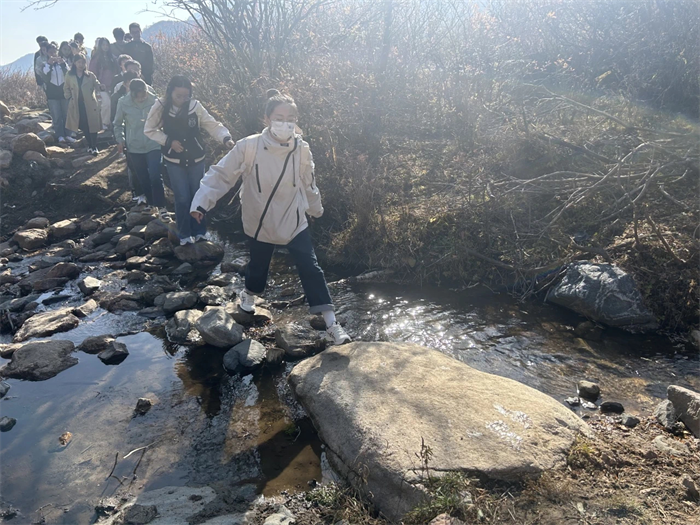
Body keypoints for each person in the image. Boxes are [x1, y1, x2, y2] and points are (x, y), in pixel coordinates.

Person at [188, 89, 352, 345]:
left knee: (310, 267)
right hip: (259, 218)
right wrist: (201, 203)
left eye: (290, 119)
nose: (285, 123)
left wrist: (315, 208)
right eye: (279, 118)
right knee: (258, 266)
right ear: (266, 119)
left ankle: (331, 324)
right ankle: (249, 294)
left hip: (293, 217)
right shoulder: (248, 146)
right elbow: (221, 174)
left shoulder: (301, 149)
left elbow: (308, 182)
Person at [144, 75, 234, 245]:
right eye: (178, 96)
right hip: (174, 160)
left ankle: (200, 232)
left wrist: (225, 138)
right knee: (182, 198)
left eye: (186, 96)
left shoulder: (195, 106)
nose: (182, 100)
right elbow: (149, 129)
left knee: (198, 195)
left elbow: (212, 124)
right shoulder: (161, 106)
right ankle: (184, 234)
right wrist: (168, 141)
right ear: (170, 92)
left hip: (196, 158)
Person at [113, 79, 165, 211]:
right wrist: (120, 139)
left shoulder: (155, 101)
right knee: (143, 177)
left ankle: (162, 206)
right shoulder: (123, 102)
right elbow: (118, 124)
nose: (142, 99)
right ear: (132, 93)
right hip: (134, 146)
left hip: (153, 143)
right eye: (139, 96)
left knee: (155, 175)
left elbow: (164, 120)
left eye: (144, 95)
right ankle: (151, 204)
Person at [64, 54, 102, 155]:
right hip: (77, 104)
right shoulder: (69, 75)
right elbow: (66, 87)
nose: (81, 65)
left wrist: (101, 87)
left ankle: (94, 146)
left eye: (83, 62)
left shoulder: (90, 75)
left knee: (93, 125)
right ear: (74, 63)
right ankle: (89, 145)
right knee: (84, 125)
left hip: (90, 104)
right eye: (79, 62)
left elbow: (97, 84)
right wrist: (69, 97)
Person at [40, 43, 71, 144]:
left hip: (63, 93)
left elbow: (69, 74)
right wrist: (49, 64)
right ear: (47, 53)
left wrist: (63, 64)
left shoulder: (63, 62)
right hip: (52, 95)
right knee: (57, 116)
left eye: (55, 52)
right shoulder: (44, 64)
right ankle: (60, 136)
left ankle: (68, 135)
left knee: (66, 115)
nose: (53, 54)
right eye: (50, 52)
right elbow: (45, 76)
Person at [89, 37, 117, 130]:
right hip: (101, 86)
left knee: (112, 104)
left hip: (112, 85)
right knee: (106, 104)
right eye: (103, 45)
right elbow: (92, 72)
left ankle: (110, 122)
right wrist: (96, 84)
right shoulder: (96, 58)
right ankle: (103, 123)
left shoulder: (112, 58)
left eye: (107, 45)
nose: (105, 47)